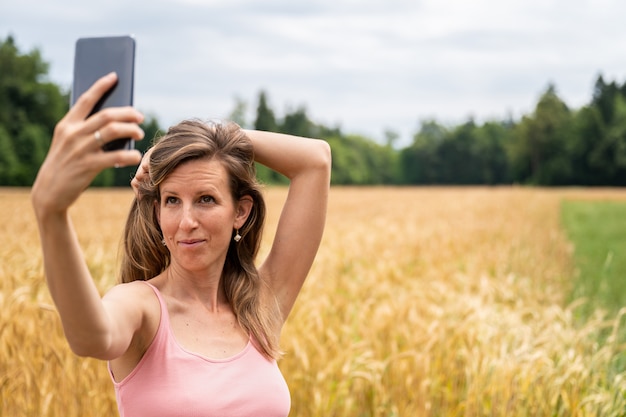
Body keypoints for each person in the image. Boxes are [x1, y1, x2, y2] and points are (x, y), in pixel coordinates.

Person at [31, 72, 331, 416]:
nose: (186, 221)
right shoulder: (142, 307)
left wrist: (218, 141)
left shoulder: (260, 305)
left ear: (241, 212)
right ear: (157, 211)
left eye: (205, 199)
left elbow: (315, 160)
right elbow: (89, 337)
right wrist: (52, 215)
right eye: (172, 200)